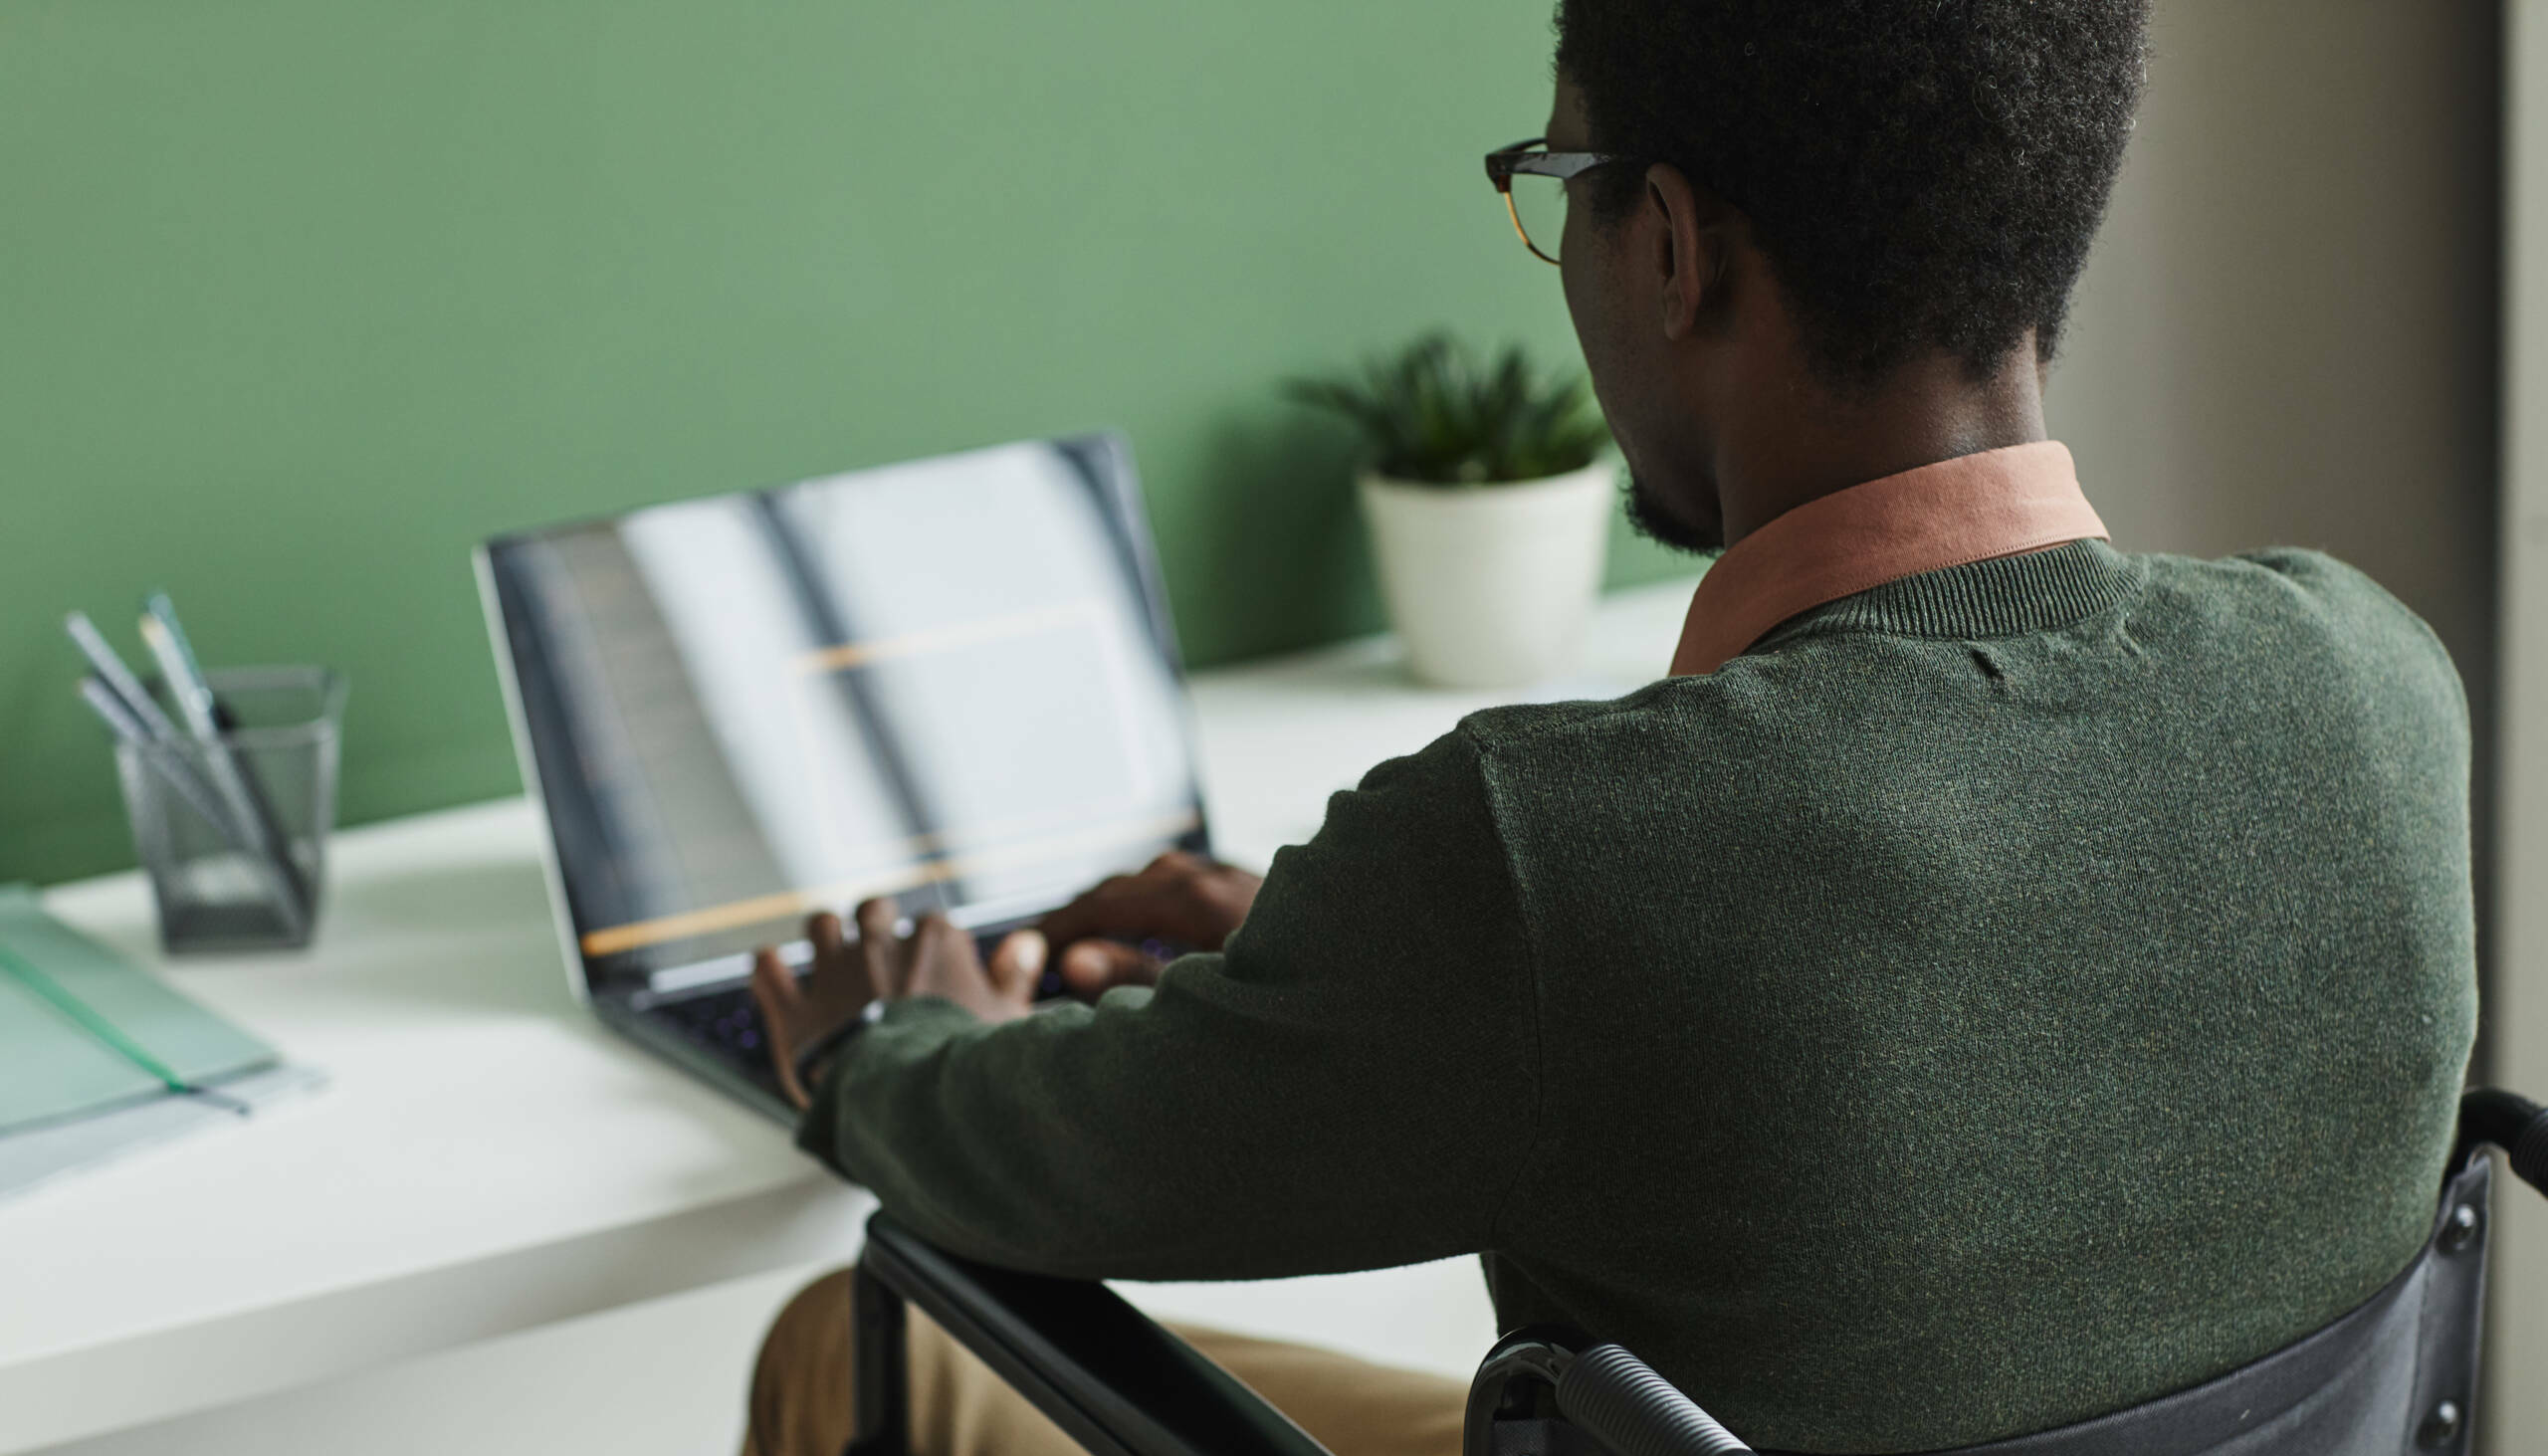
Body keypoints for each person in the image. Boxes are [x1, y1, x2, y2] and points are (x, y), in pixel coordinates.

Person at [741, 1, 2478, 1452]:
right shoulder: (2378, 688)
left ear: (1668, 244)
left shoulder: (1538, 862)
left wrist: (885, 1049)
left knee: (860, 1337)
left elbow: (1046, 1162)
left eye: (1559, 182)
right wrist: (1338, 957)